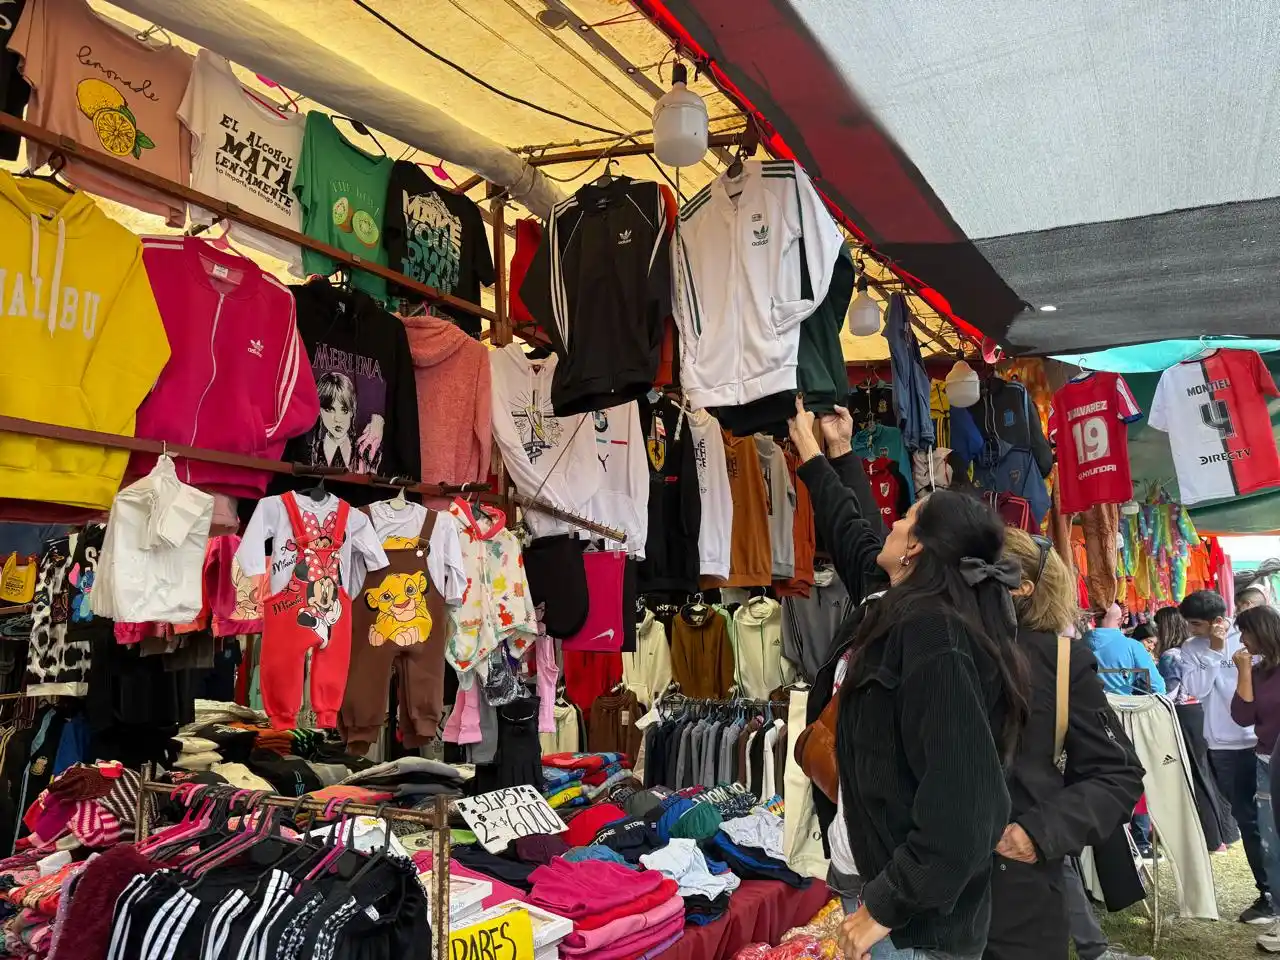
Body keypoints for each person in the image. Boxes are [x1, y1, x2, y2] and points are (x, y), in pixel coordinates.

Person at [790, 396, 1028, 960]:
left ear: (916, 547)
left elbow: (970, 807)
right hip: (871, 889)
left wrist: (887, 907)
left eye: (906, 516)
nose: (892, 520)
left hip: (911, 929)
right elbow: (855, 533)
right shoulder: (894, 602)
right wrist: (823, 452)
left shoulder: (932, 636)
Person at [983, 528, 1145, 960]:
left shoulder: (1060, 661)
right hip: (923, 892)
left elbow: (1118, 773)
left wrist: (1040, 832)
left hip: (1015, 893)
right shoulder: (928, 647)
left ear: (1022, 587)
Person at [1180, 588, 1275, 923]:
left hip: (1261, 741)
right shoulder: (1191, 650)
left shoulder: (1251, 638)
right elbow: (1194, 690)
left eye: (1196, 624)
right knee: (1248, 820)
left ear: (1218, 620)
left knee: (1270, 819)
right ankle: (1266, 892)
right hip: (1223, 744)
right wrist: (1214, 651)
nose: (1191, 630)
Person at [1155, 605, 1230, 850]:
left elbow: (1170, 693)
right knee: (1207, 772)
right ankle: (1226, 833)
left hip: (1182, 715)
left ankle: (1212, 837)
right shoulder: (1192, 649)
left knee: (1195, 775)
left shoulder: (1171, 655)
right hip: (1200, 712)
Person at [1231, 605, 1280, 951]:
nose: (1242, 640)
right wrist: (1244, 671)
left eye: (1246, 632)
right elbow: (1242, 715)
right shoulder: (1258, 669)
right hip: (1266, 763)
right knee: (1271, 845)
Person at [1085, 604, 1165, 695]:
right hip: (1121, 706)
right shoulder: (1133, 646)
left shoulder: (1077, 644)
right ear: (1120, 621)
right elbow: (1158, 686)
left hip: (1083, 704)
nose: (1151, 647)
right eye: (1149, 641)